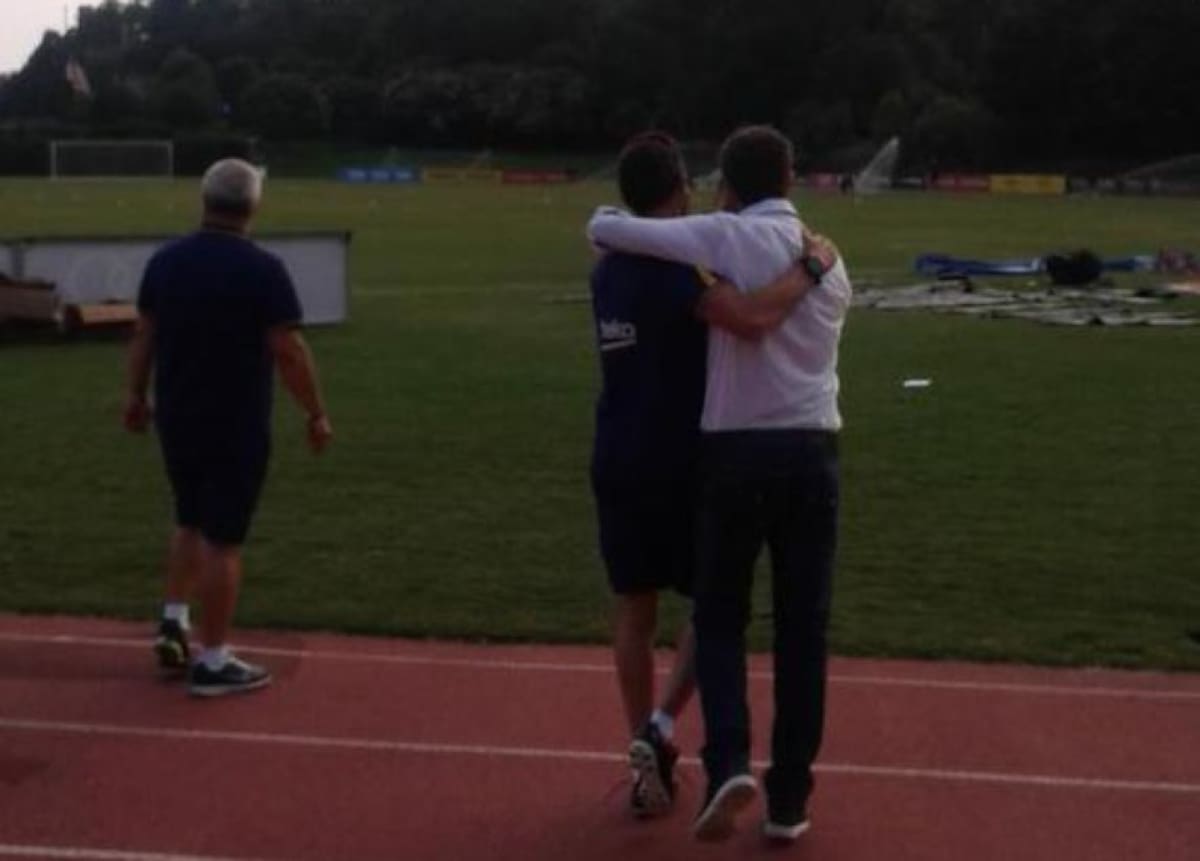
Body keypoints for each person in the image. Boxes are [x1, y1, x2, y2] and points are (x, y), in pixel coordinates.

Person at [587, 125, 852, 843]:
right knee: (752, 617)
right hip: (722, 454)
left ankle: (668, 747)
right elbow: (750, 318)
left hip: (627, 451)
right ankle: (724, 759)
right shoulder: (703, 264)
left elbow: (604, 229)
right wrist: (811, 266)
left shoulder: (611, 267)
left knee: (647, 608)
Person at [124, 158, 333, 698]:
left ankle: (173, 621)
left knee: (189, 518)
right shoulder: (262, 269)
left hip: (177, 415)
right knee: (224, 540)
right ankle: (213, 659)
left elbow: (144, 334)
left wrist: (135, 396)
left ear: (204, 199)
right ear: (254, 206)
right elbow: (288, 350)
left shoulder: (166, 260)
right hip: (235, 421)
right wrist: (315, 412)